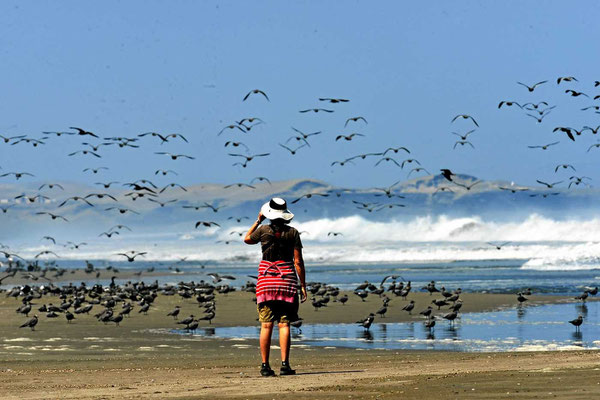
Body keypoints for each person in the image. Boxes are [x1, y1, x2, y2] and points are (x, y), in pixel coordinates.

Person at [244, 197, 307, 376]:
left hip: (266, 283)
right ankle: (285, 365)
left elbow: (247, 239)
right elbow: (298, 262)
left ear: (269, 215)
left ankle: (265, 366)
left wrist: (258, 221)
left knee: (266, 326)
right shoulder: (293, 233)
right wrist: (302, 285)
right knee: (284, 324)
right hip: (286, 281)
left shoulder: (263, 230)